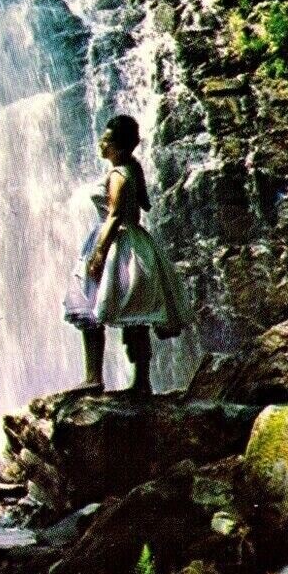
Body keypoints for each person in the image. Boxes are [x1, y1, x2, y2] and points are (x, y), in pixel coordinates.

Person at [63, 114, 192, 394]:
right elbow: (143, 204)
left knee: (89, 305)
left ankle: (94, 378)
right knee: (134, 314)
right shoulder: (132, 168)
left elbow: (115, 216)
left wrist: (98, 255)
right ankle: (141, 382)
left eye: (106, 140)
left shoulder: (119, 173)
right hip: (136, 244)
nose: (101, 143)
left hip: (117, 244)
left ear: (118, 147)